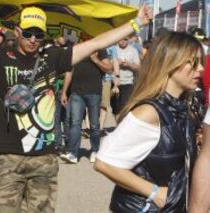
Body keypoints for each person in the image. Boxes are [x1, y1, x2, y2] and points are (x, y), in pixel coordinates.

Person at [0, 0, 152, 213]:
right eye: (27, 33)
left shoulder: (54, 57)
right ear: (17, 31)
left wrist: (135, 24)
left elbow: (96, 43)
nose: (33, 39)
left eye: (38, 34)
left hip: (44, 158)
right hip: (8, 157)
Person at [94, 32, 202, 212]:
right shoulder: (149, 112)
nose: (200, 69)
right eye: (193, 62)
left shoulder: (183, 108)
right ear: (170, 62)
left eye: (201, 63)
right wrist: (155, 192)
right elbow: (104, 162)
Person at [60, 48, 112, 164]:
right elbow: (69, 72)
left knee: (94, 124)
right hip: (76, 92)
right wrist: (64, 92)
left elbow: (109, 69)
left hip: (94, 92)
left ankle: (95, 150)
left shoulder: (100, 50)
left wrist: (95, 60)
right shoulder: (76, 49)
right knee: (75, 123)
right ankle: (73, 153)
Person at [114, 36, 141, 119]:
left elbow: (138, 67)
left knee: (125, 106)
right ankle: (117, 126)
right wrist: (115, 62)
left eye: (125, 39)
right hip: (114, 82)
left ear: (128, 39)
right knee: (115, 107)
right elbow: (107, 63)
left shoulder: (133, 50)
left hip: (128, 82)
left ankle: (122, 125)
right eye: (121, 39)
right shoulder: (113, 49)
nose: (123, 41)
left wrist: (128, 64)